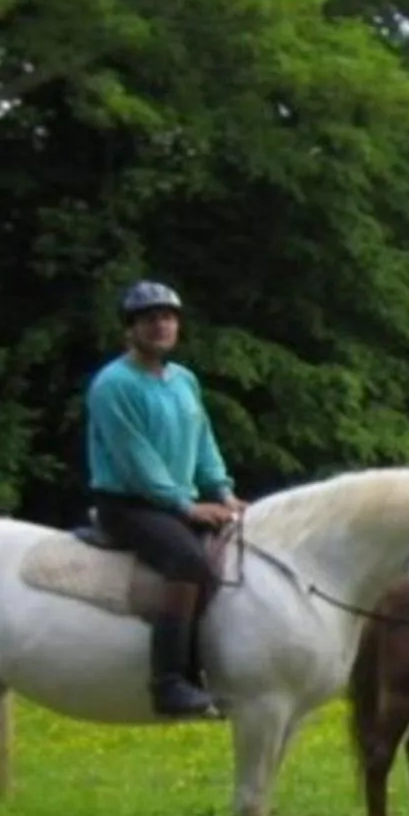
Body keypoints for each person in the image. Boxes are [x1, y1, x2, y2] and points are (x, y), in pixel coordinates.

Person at [86, 280, 246, 718]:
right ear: (130, 329)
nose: (161, 325)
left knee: (228, 556)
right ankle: (170, 683)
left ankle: (208, 672)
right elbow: (136, 459)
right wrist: (186, 506)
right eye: (150, 319)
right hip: (130, 506)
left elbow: (203, 441)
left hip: (174, 503)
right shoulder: (114, 384)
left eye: (169, 317)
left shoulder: (183, 381)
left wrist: (224, 491)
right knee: (187, 561)